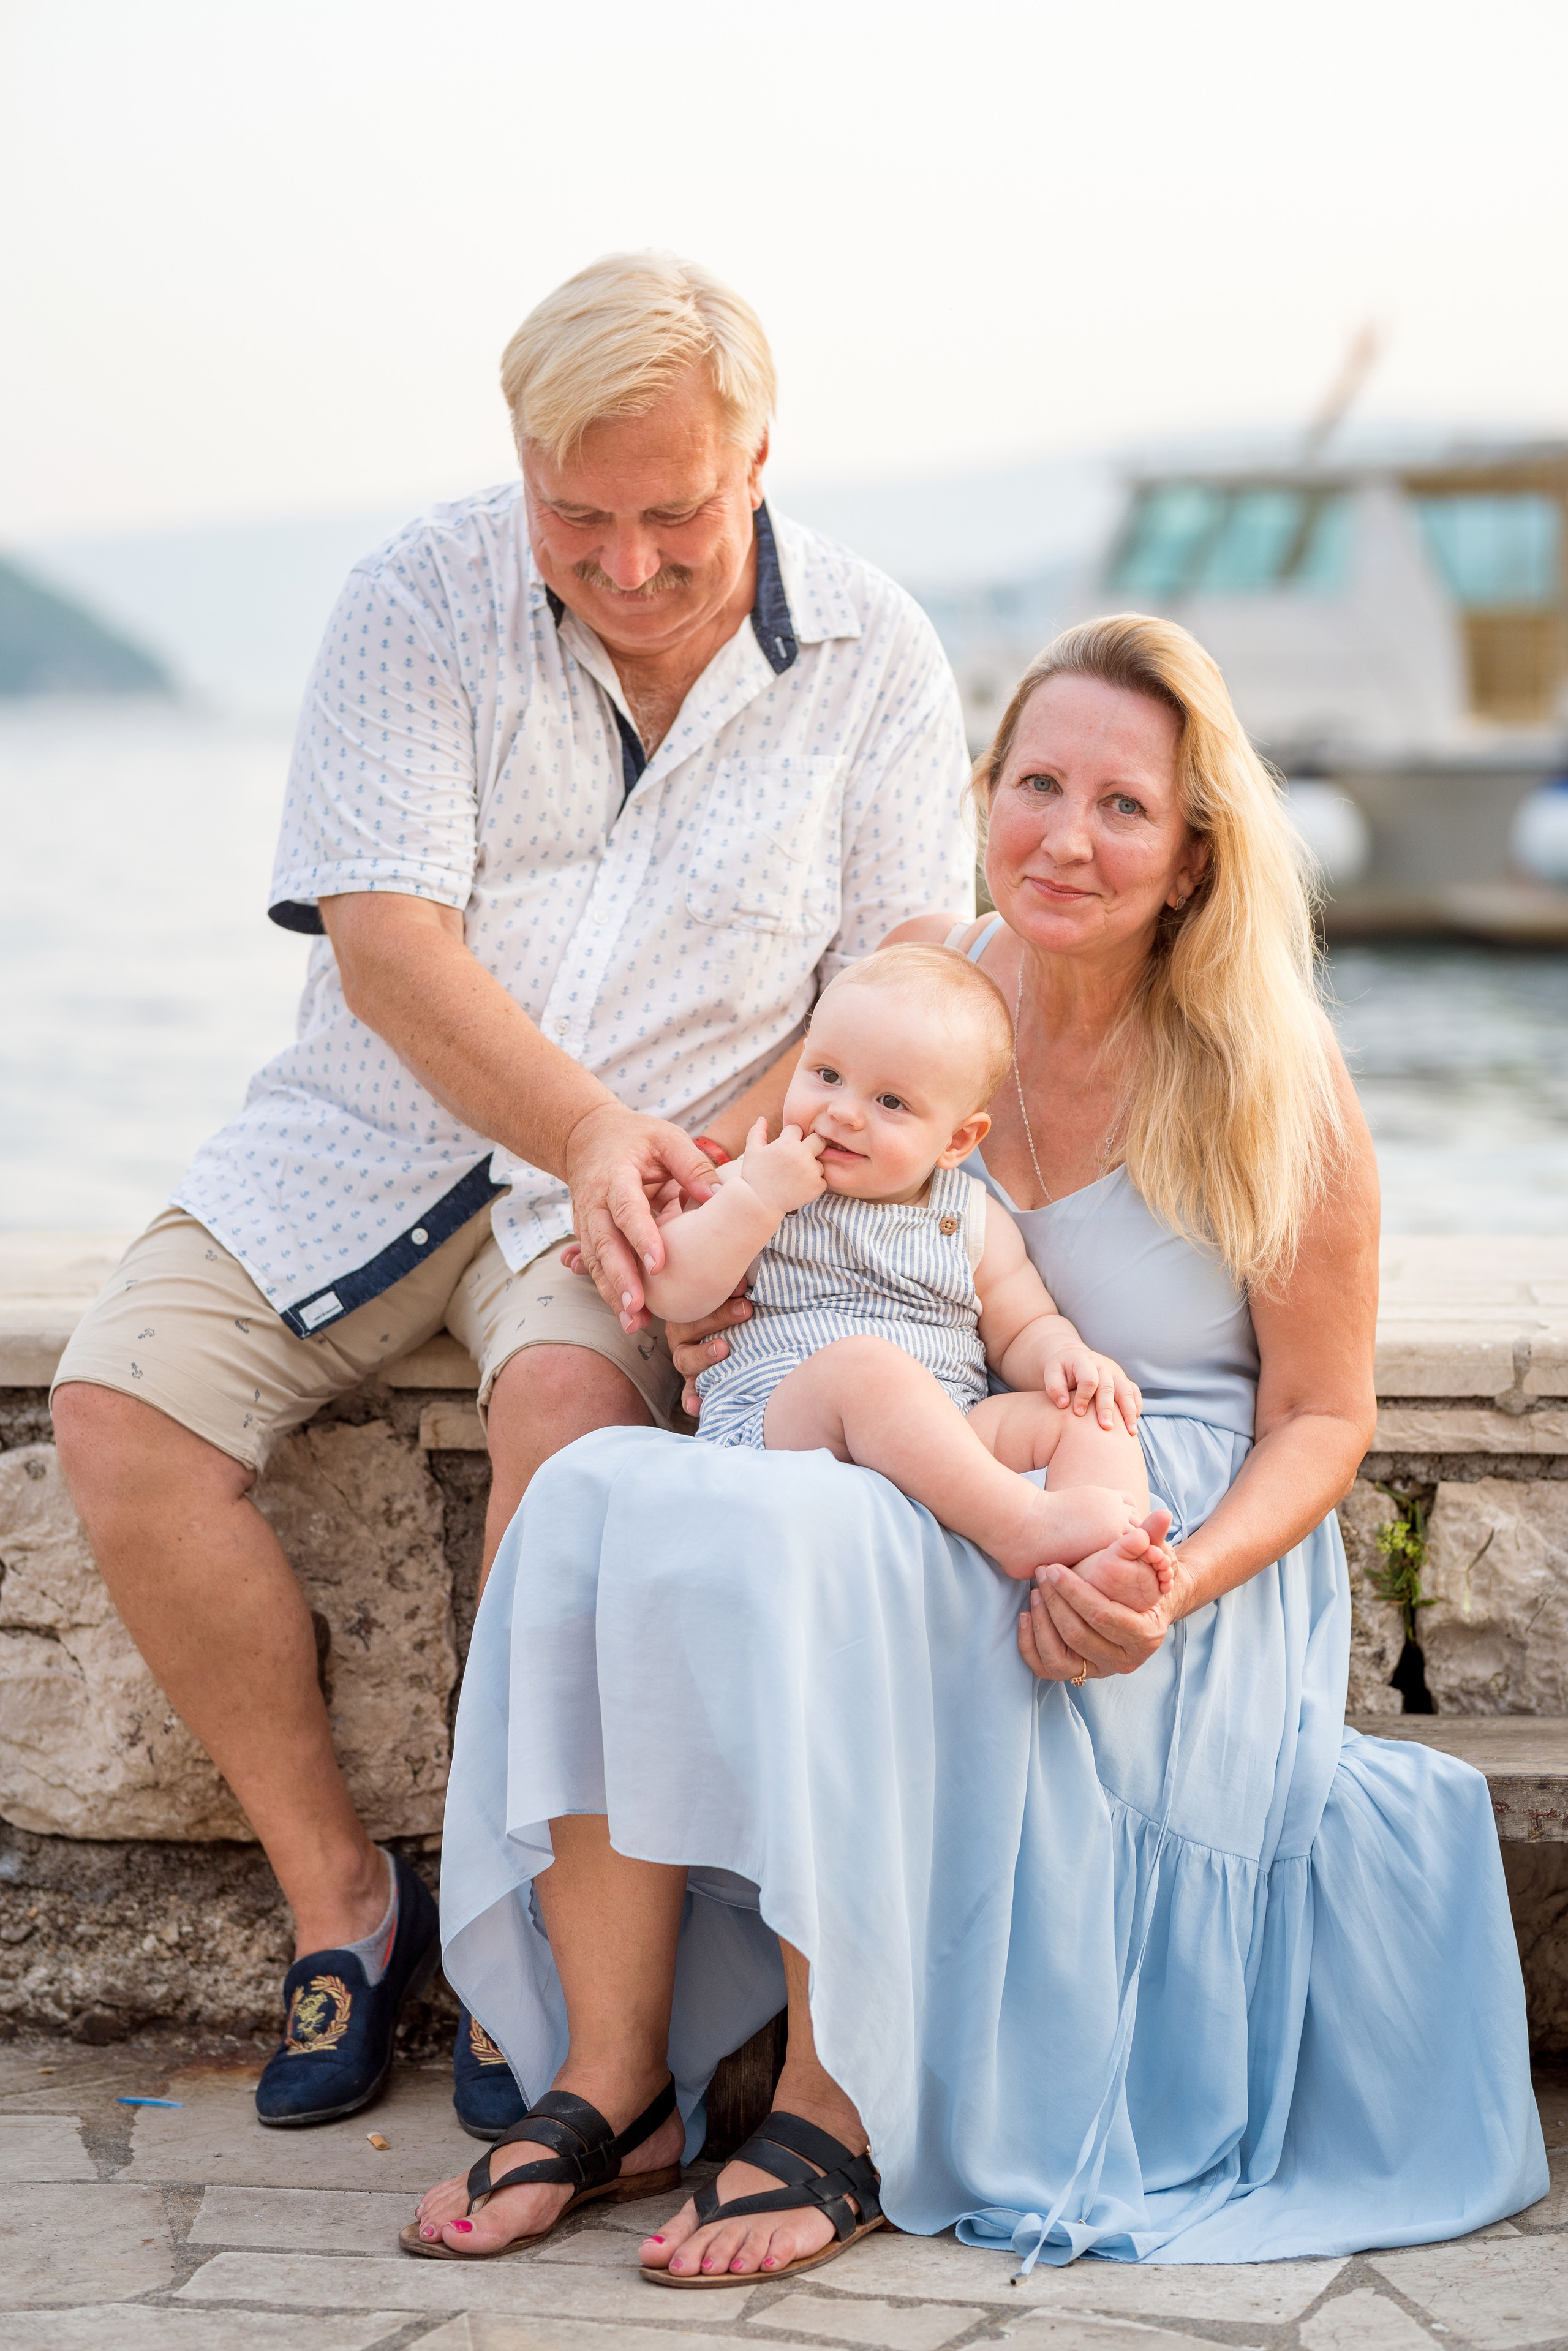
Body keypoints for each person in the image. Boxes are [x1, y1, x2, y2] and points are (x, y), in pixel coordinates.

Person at [410, 611, 1545, 2279]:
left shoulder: (1267, 1068)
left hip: (1140, 1512)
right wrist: (697, 1264)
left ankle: (837, 2100)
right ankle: (614, 2068)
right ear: (982, 791)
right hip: (912, 1441)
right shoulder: (920, 990)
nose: (1066, 838)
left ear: (1191, 852)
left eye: (1123, 805)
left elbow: (1325, 1416)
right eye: (1035, 784)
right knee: (590, 1491)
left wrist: (1174, 1578)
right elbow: (763, 1176)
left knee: (832, 1529)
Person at [48, 252, 973, 2134]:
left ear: (760, 462)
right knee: (114, 1411)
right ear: (518, 459)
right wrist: (580, 1130)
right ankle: (350, 1903)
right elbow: (388, 948)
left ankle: (522, 1957)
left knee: (566, 1431)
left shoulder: (877, 654)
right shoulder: (413, 594)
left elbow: (894, 978)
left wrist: (695, 1158)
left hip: (673, 1172)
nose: (624, 565)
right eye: (579, 514)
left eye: (674, 519)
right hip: (364, 1127)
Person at [646, 944, 1172, 1601]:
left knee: (1094, 1414)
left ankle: (1105, 1562)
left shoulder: (972, 1220)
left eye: (890, 1101)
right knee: (864, 1367)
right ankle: (1021, 1525)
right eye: (827, 1074)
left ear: (955, 1141)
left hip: (951, 1438)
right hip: (783, 1429)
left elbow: (1023, 1326)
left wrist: (1065, 1356)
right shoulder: (751, 1183)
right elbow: (672, 1288)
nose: (842, 1111)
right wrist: (757, 1201)